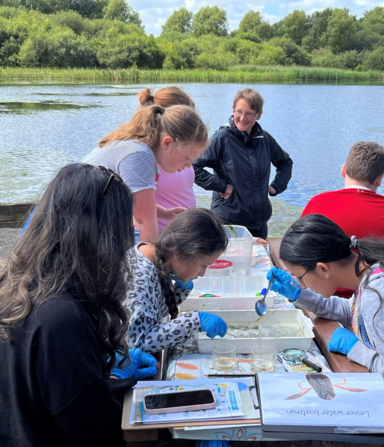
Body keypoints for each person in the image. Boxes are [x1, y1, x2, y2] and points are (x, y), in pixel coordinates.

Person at [0, 164, 157, 447]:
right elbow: (94, 428)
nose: (129, 237)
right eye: (126, 225)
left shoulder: (11, 283)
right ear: (103, 235)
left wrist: (111, 376)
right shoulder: (61, 319)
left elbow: (61, 396)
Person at [267, 214, 384, 446]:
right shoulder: (380, 264)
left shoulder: (382, 297)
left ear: (322, 269)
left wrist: (358, 350)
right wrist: (301, 295)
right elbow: (356, 309)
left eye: (299, 277)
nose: (300, 283)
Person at [83, 104, 208, 243]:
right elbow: (144, 224)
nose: (189, 165)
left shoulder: (136, 146)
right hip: (79, 223)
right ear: (167, 143)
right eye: (187, 157)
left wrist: (165, 214)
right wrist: (151, 263)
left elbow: (135, 204)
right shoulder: (141, 155)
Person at [301, 141, 384, 297]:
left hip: (324, 297)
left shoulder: (318, 204)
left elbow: (299, 251)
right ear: (379, 179)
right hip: (377, 298)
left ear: (343, 170)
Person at [193, 88, 293, 239]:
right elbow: (193, 167)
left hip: (259, 222)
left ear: (258, 115)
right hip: (228, 220)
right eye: (238, 111)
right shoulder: (221, 138)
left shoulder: (264, 139)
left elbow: (285, 162)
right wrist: (222, 186)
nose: (242, 118)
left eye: (248, 113)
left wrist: (275, 187)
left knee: (259, 261)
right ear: (233, 110)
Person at [125, 208, 228, 353]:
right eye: (203, 265)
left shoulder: (152, 254)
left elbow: (154, 309)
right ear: (180, 254)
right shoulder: (141, 279)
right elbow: (138, 343)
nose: (203, 273)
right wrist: (193, 322)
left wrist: (182, 288)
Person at [139, 87, 197, 233]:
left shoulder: (178, 149)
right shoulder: (146, 154)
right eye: (187, 120)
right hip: (159, 237)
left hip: (183, 235)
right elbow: (137, 210)